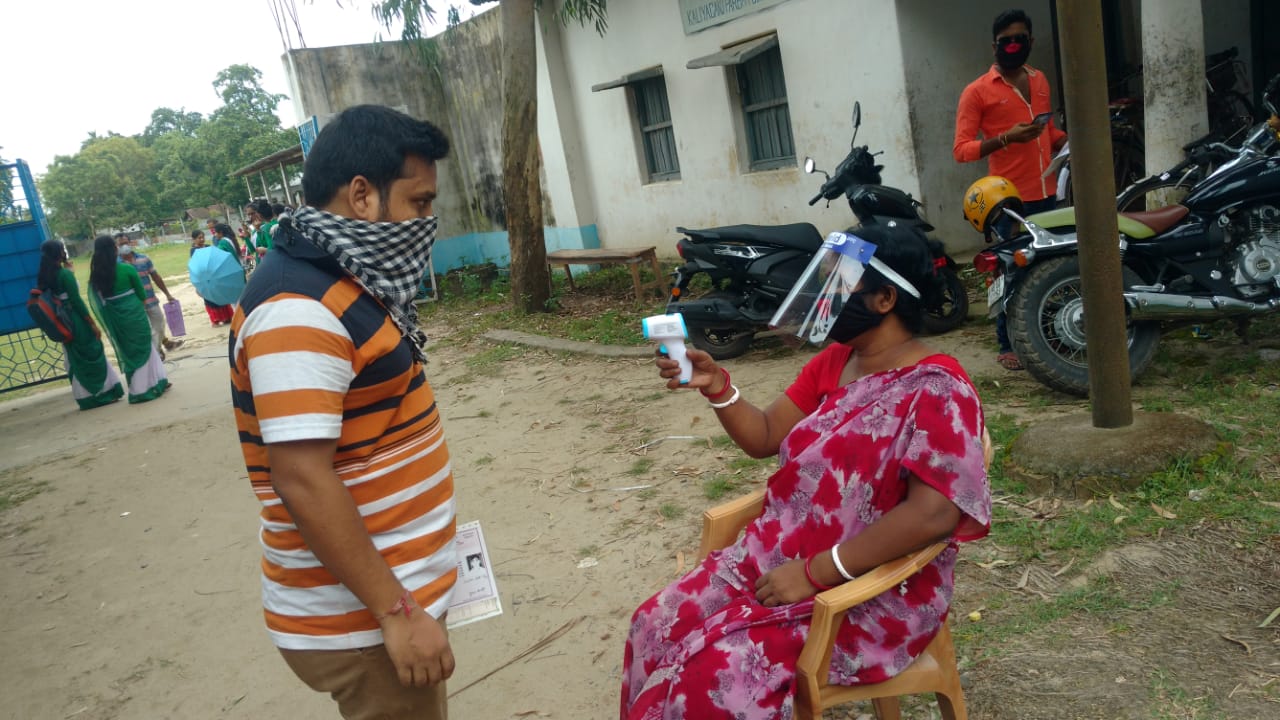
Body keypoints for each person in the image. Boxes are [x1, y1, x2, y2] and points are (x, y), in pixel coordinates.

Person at [620, 225, 991, 719]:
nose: (825, 296)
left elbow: (934, 514)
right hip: (776, 558)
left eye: (840, 283)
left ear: (884, 299)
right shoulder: (837, 361)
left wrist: (817, 572)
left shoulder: (940, 388)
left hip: (870, 592)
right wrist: (716, 386)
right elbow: (764, 435)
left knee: (712, 676)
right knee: (653, 623)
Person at [229, 104, 457, 719]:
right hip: (363, 621)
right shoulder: (296, 308)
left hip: (389, 596)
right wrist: (396, 612)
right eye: (419, 202)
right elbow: (301, 478)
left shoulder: (345, 275)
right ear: (361, 195)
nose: (426, 223)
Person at [954, 8, 1067, 371]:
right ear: (995, 46)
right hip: (1007, 201)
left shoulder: (1040, 79)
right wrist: (1005, 138)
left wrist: (1068, 141)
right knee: (1008, 272)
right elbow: (962, 149)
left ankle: (1047, 334)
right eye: (1006, 41)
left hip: (1048, 191)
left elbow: (1048, 133)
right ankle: (1007, 342)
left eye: (1020, 39)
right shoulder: (976, 91)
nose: (1014, 45)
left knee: (1048, 269)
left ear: (1030, 41)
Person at [37, 240, 124, 409]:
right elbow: (76, 300)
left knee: (75, 356)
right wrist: (91, 323)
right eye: (62, 249)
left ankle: (85, 396)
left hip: (62, 320)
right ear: (59, 253)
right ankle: (100, 393)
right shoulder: (64, 275)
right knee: (91, 351)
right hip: (75, 319)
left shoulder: (46, 275)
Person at [88, 236, 170, 403]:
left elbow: (99, 301)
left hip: (115, 318)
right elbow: (141, 294)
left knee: (129, 350)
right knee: (145, 346)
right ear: (114, 249)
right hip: (134, 314)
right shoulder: (127, 269)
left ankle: (144, 385)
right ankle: (149, 386)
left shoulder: (96, 276)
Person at [114, 232, 183, 359]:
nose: (124, 246)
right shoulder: (116, 265)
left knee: (160, 325)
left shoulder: (144, 259)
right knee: (148, 331)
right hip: (135, 305)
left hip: (151, 300)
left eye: (126, 243)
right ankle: (156, 355)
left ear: (130, 243)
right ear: (116, 247)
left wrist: (167, 294)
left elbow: (156, 277)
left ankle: (158, 349)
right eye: (121, 244)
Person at [190, 230, 235, 327]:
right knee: (210, 298)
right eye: (199, 238)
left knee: (220, 295)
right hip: (204, 277)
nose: (202, 239)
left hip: (214, 275)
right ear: (194, 239)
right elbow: (197, 264)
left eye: (203, 237)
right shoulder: (194, 250)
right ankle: (216, 319)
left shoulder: (208, 247)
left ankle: (227, 317)